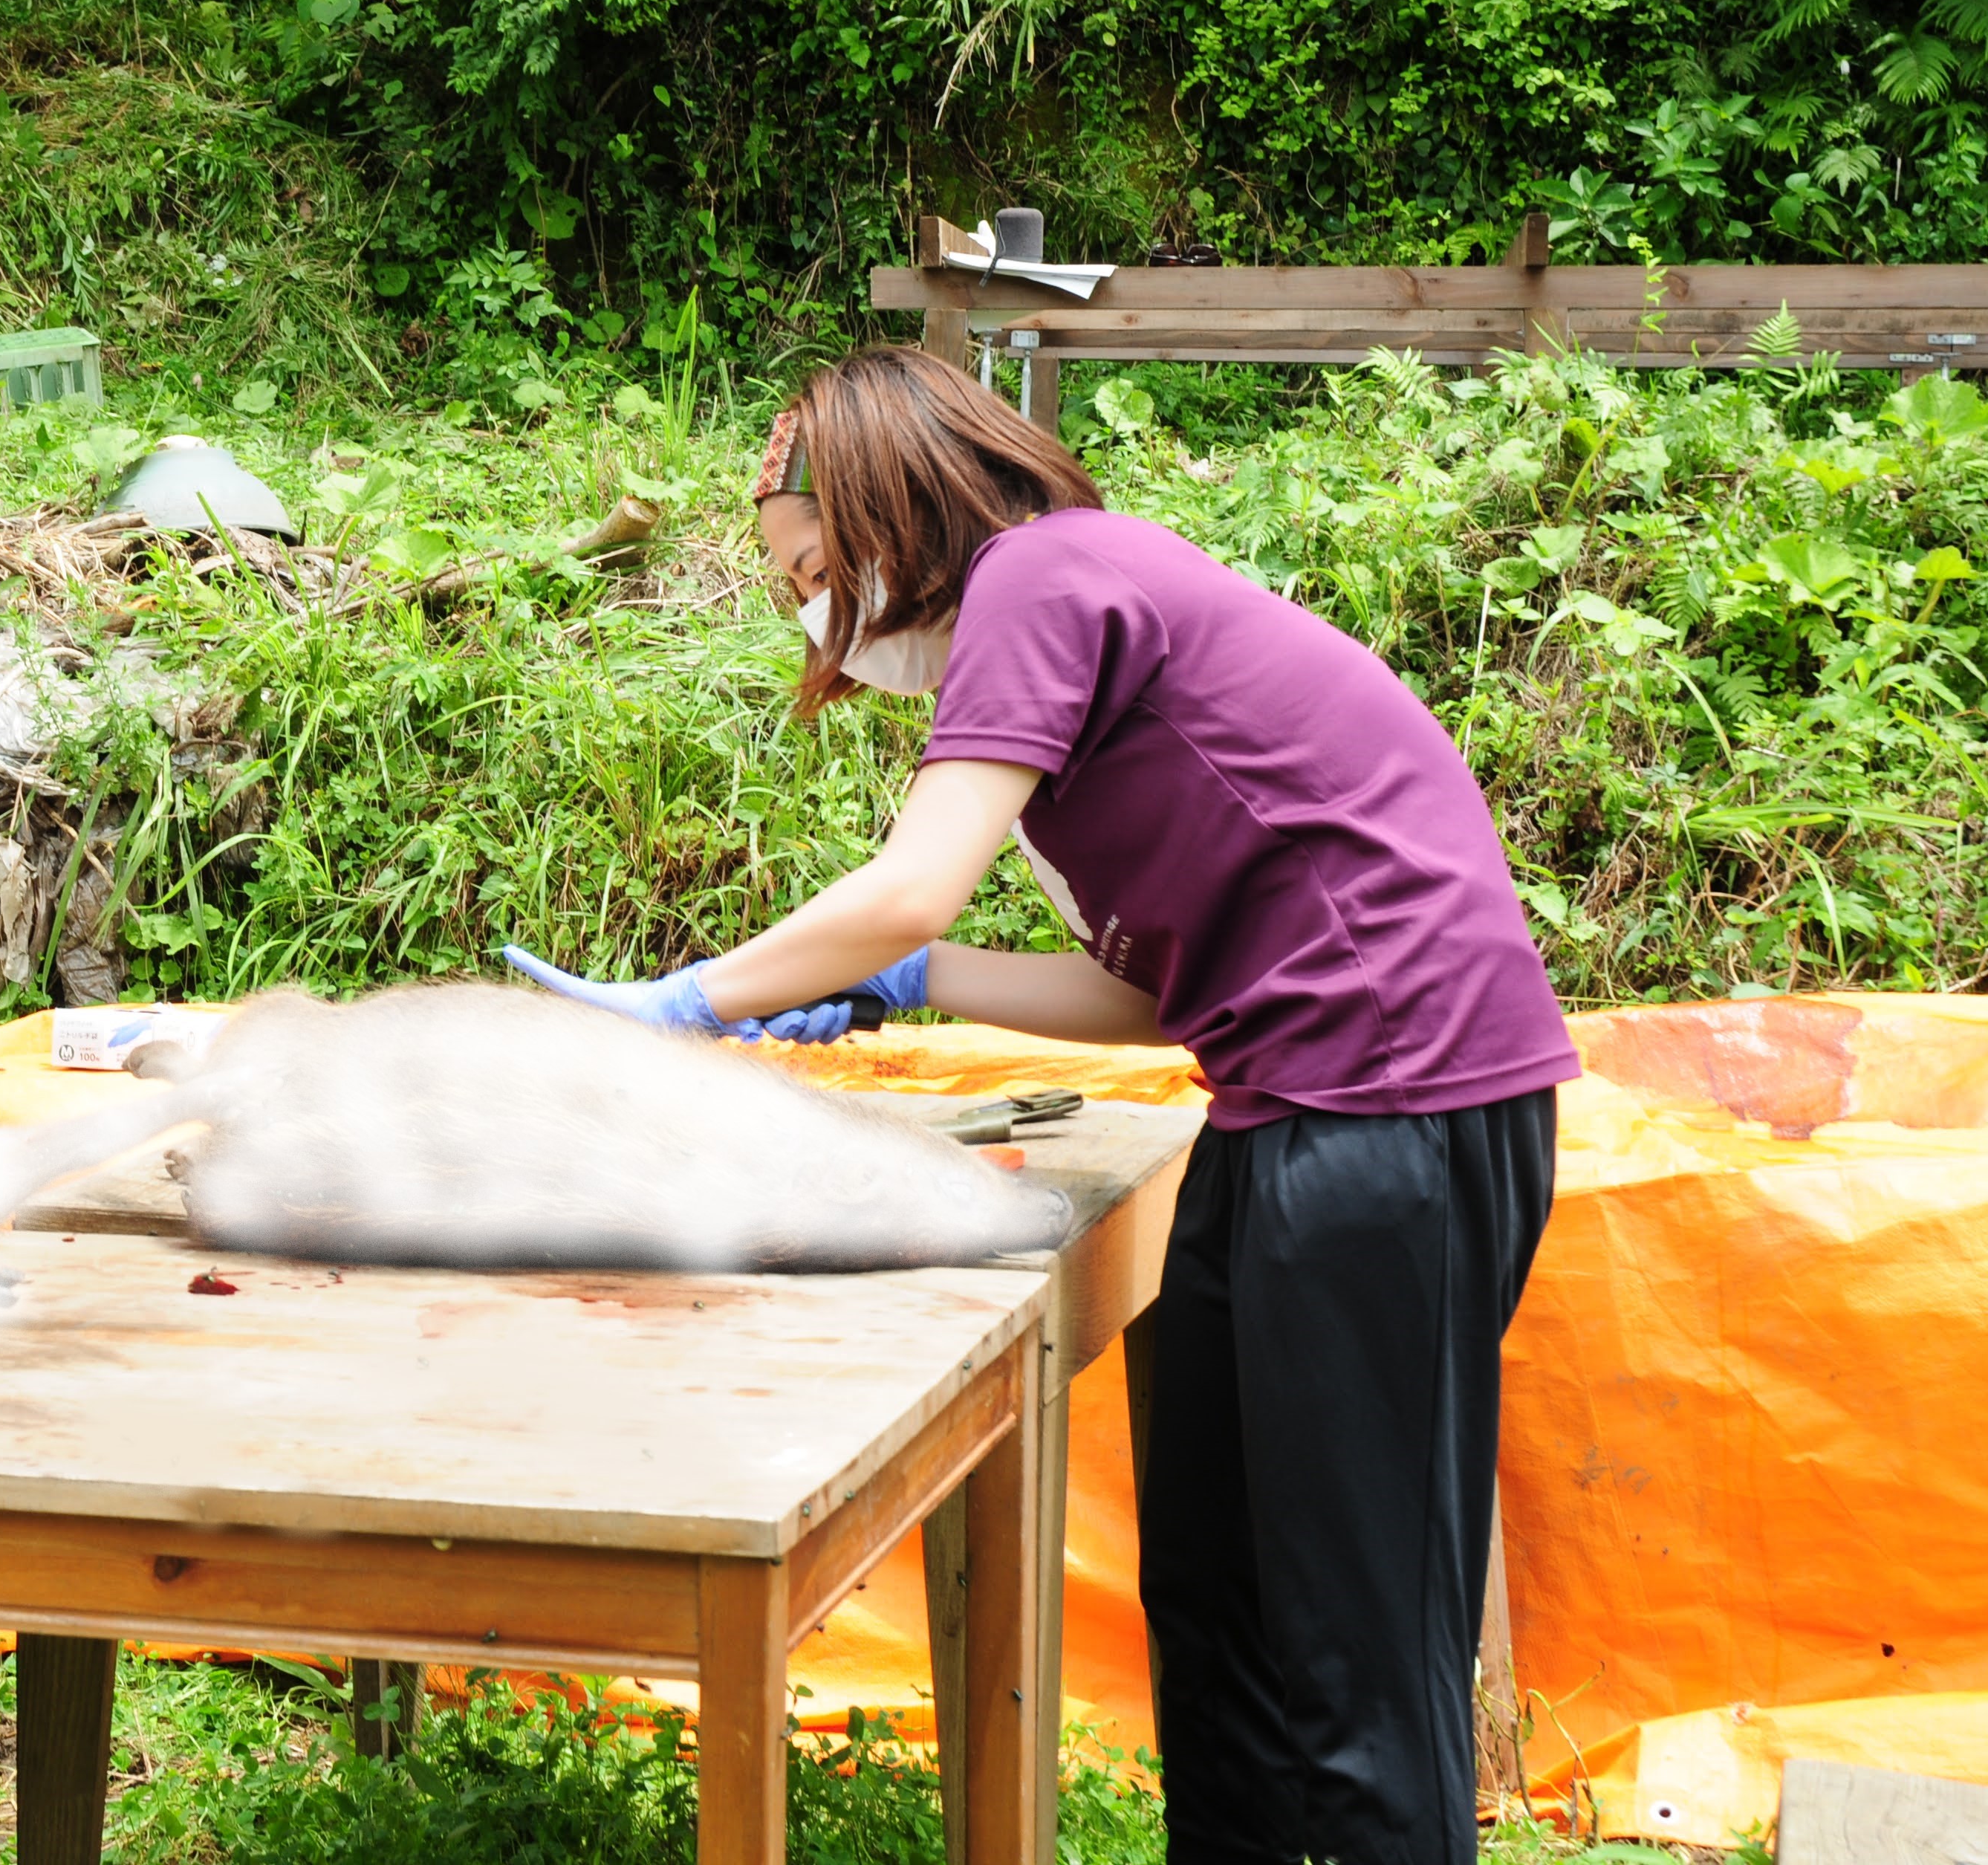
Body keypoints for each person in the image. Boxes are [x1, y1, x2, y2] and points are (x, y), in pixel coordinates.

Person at [509, 345, 1576, 1865]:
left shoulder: (1041, 581)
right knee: (1213, 1605)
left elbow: (903, 878)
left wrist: (689, 1000)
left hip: (1397, 1107)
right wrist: (911, 980)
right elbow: (1151, 995)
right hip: (1281, 1105)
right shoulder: (1063, 640)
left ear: (883, 512)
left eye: (807, 566)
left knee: (1349, 1658)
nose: (801, 606)